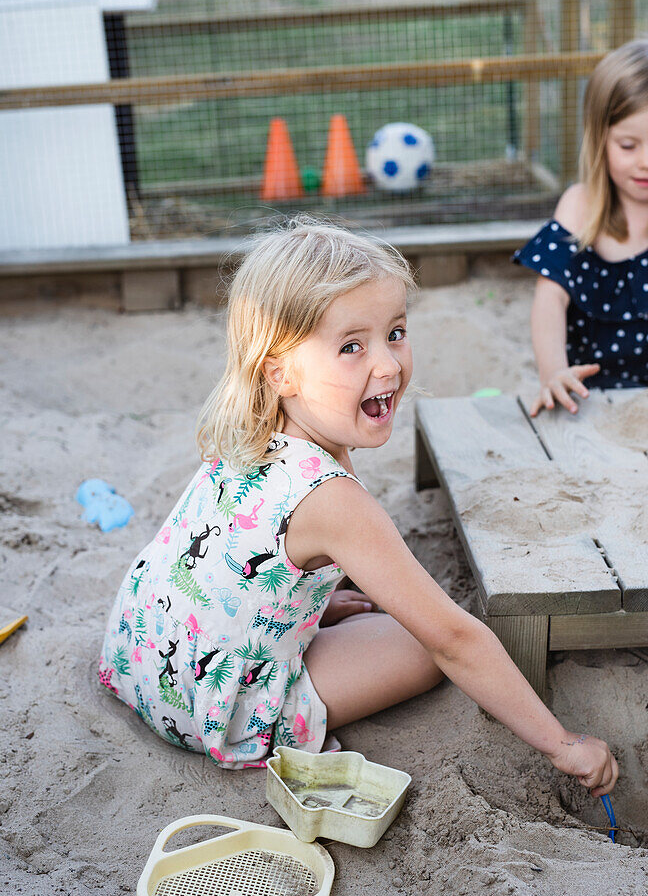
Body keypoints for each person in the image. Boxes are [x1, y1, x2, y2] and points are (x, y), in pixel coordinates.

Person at [100, 220, 617, 797]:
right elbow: (454, 639)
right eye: (352, 347)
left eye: (395, 333)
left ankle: (306, 619)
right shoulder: (334, 499)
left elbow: (222, 567)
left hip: (138, 658)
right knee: (420, 645)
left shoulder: (247, 437)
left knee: (368, 607)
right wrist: (564, 744)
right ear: (281, 370)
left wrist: (312, 609)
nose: (389, 365)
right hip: (215, 712)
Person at [513, 39, 648, 416]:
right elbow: (550, 299)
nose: (647, 162)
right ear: (600, 138)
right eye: (628, 145)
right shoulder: (581, 204)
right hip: (587, 391)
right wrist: (553, 371)